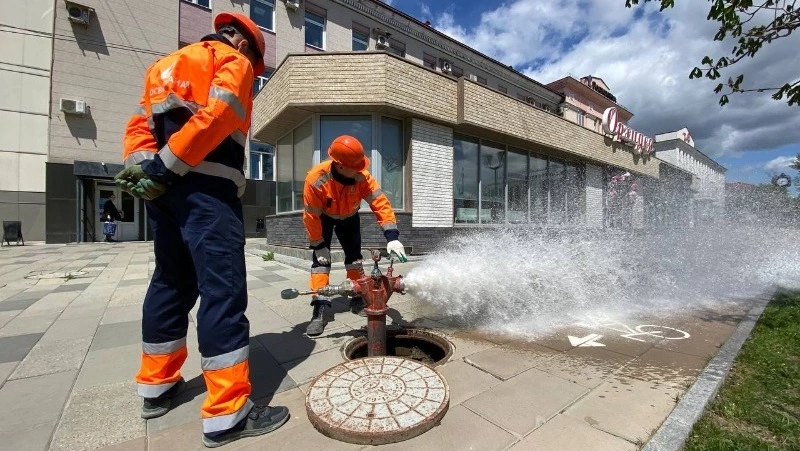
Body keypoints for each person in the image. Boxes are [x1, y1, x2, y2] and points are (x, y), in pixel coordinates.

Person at [113, 12, 289, 448]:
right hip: (208, 191)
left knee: (170, 282)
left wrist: (148, 174)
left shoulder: (163, 65)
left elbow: (138, 128)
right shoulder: (233, 60)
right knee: (221, 290)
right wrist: (167, 167)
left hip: (164, 196)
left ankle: (157, 386)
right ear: (245, 44)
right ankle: (228, 414)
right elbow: (220, 114)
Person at [302, 135, 408, 336]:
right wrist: (318, 244)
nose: (360, 170)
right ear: (340, 165)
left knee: (354, 260)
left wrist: (392, 236)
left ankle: (357, 295)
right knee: (321, 263)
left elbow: (380, 204)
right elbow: (311, 216)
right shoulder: (316, 179)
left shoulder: (362, 177)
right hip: (324, 219)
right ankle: (319, 307)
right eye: (356, 166)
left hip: (350, 218)